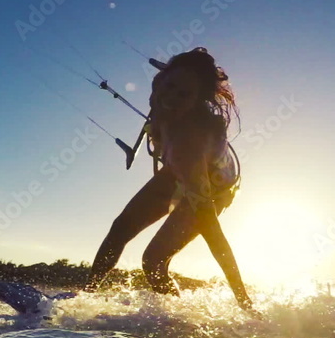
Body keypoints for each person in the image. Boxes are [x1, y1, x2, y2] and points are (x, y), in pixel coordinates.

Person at [85, 47, 255, 311]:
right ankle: (84, 295)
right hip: (176, 173)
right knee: (120, 228)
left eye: (184, 95)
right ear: (162, 79)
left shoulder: (187, 146)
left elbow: (213, 232)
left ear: (196, 102)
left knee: (152, 261)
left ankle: (176, 317)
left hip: (212, 186)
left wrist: (243, 299)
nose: (171, 98)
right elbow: (172, 85)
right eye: (171, 86)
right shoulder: (160, 87)